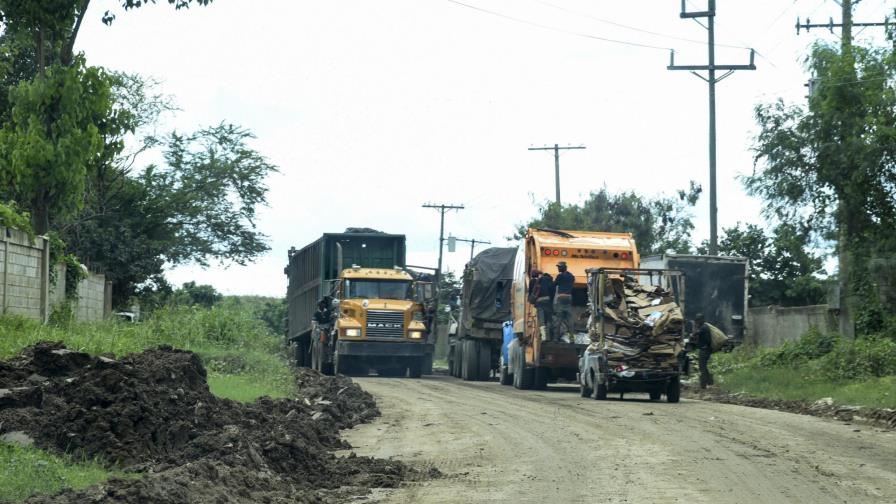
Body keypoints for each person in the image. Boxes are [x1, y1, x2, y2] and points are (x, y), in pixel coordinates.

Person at [553, 261, 575, 341]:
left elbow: (554, 284)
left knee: (559, 319)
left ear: (563, 268)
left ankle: (556, 338)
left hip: (561, 297)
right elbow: (572, 284)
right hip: (569, 297)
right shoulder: (571, 276)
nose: (558, 268)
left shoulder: (560, 276)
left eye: (559, 267)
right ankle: (572, 338)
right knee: (569, 319)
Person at [692, 313, 714, 388]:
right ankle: (710, 381)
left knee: (702, 367)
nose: (697, 321)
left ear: (702, 320)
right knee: (703, 366)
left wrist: (695, 327)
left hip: (704, 350)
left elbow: (694, 334)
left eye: (698, 320)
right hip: (706, 349)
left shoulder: (703, 327)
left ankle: (703, 384)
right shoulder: (704, 327)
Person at [535, 271, 555, 341]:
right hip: (547, 300)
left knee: (541, 319)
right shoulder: (551, 282)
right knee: (548, 319)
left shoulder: (539, 280)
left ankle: (543, 337)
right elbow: (553, 293)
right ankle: (549, 337)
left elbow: (535, 290)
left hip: (539, 301)